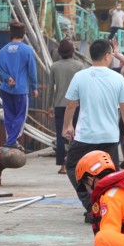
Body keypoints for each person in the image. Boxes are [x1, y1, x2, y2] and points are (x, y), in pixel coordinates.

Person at [62, 39, 124, 222]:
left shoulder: (80, 76)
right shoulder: (117, 78)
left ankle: (91, 206)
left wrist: (67, 126)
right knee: (110, 174)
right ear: (108, 56)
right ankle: (109, 208)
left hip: (85, 135)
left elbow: (71, 105)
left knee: (73, 166)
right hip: (109, 136)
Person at [0, 21, 38, 151]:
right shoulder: (27, 50)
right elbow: (32, 70)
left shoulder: (2, 51)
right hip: (20, 90)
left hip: (6, 89)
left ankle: (11, 140)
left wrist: (7, 78)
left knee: (9, 115)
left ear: (11, 34)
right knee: (20, 115)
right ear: (24, 34)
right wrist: (34, 87)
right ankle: (11, 141)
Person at [47, 39, 85, 174]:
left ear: (60, 53)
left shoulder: (54, 66)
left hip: (59, 105)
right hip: (76, 105)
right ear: (72, 52)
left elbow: (51, 88)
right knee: (76, 134)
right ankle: (74, 164)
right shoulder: (79, 66)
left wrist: (49, 106)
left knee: (60, 135)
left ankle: (63, 165)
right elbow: (83, 88)